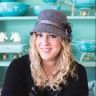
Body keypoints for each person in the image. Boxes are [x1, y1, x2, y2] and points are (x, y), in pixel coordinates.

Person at [1, 9, 88, 96]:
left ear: (63, 41)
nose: (44, 42)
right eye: (40, 35)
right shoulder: (17, 67)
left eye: (52, 36)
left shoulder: (78, 72)